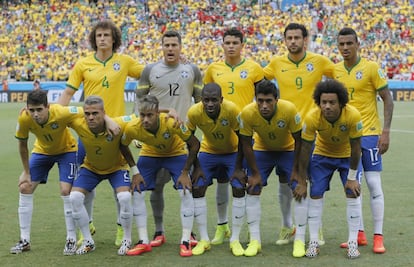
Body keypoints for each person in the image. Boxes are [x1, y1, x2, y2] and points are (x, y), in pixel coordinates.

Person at [57, 19, 144, 247]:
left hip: (116, 131)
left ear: (114, 38)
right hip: (90, 127)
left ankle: (119, 227)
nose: (102, 39)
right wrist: (57, 116)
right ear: (94, 40)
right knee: (85, 178)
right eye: (99, 36)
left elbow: (150, 75)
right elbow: (68, 93)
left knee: (121, 186)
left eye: (106, 35)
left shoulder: (124, 61)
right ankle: (89, 222)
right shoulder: (83, 63)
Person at [263, 22, 335, 249]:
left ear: (305, 39)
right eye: (289, 38)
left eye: (297, 37)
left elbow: (341, 76)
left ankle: (316, 226)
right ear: (285, 40)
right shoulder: (276, 63)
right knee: (285, 183)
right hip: (285, 133)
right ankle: (287, 226)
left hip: (312, 132)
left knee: (313, 182)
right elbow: (256, 78)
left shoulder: (320, 62)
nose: (293, 41)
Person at [132, 30, 202, 248]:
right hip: (152, 140)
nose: (170, 48)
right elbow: (142, 105)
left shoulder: (192, 70)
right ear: (161, 47)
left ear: (181, 47)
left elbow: (199, 104)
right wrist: (165, 110)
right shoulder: (150, 71)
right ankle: (158, 231)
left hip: (180, 140)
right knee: (155, 188)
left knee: (185, 187)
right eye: (167, 45)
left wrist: (193, 131)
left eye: (174, 45)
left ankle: (188, 234)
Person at [334, 27, 394, 254]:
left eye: (350, 43)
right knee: (352, 186)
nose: (346, 48)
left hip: (369, 135)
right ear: (338, 47)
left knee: (373, 184)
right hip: (346, 138)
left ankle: (378, 236)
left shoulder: (371, 68)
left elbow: (388, 100)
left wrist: (385, 131)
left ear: (358, 44)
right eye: (342, 44)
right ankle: (358, 234)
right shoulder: (335, 70)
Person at [203, 27, 264, 245]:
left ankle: (248, 231)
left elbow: (262, 99)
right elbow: (206, 97)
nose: (230, 46)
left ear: (242, 45)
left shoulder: (254, 68)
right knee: (221, 182)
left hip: (244, 134)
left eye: (234, 43)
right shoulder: (213, 68)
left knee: (243, 184)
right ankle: (222, 227)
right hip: (219, 136)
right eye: (227, 42)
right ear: (222, 45)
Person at [121, 95, 200, 257]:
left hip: (175, 153)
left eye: (150, 115)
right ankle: (143, 241)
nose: (145, 119)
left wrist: (185, 172)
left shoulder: (172, 122)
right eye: (142, 115)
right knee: (136, 191)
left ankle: (186, 240)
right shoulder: (132, 128)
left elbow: (194, 144)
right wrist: (135, 171)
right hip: (150, 154)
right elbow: (122, 146)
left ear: (157, 113)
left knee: (185, 190)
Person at [231, 80, 302, 257]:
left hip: (287, 150)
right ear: (255, 99)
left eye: (268, 101)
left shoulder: (289, 109)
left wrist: (296, 170)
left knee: (299, 188)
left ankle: (299, 239)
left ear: (276, 100)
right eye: (260, 100)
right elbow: (245, 143)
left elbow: (300, 140)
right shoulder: (248, 113)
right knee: (253, 188)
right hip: (262, 150)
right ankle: (255, 240)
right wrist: (254, 173)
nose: (264, 105)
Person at [293, 79, 363, 259]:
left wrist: (353, 177)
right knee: (315, 193)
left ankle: (353, 242)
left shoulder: (353, 115)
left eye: (332, 102)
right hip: (322, 156)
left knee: (352, 192)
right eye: (324, 102)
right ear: (319, 102)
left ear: (341, 103)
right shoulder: (312, 117)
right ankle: (314, 242)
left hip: (347, 157)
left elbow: (356, 149)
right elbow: (305, 149)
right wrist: (301, 180)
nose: (327, 106)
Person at [11, 90, 79, 255]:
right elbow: (22, 146)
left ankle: (71, 239)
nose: (35, 114)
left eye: (39, 110)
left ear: (48, 107)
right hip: (42, 152)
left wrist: (107, 120)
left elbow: (86, 111)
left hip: (67, 151)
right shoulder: (24, 118)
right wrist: (26, 172)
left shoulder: (60, 112)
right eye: (31, 110)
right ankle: (24, 240)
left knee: (65, 190)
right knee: (25, 187)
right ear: (27, 108)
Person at [68, 95, 136, 255]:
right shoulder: (79, 124)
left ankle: (127, 239)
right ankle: (88, 240)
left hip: (116, 168)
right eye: (87, 113)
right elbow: (57, 111)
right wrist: (28, 111)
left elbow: (141, 114)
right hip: (91, 168)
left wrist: (171, 110)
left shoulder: (118, 123)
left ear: (103, 113)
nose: (90, 117)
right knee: (74, 198)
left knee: (125, 197)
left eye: (95, 114)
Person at [186, 83, 241, 255]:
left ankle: (235, 239)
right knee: (198, 186)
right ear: (201, 100)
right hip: (208, 152)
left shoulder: (232, 110)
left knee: (239, 187)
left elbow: (244, 139)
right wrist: (196, 167)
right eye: (206, 100)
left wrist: (239, 168)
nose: (210, 104)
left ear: (221, 100)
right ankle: (204, 239)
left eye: (214, 100)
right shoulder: (194, 112)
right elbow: (190, 139)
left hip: (233, 152)